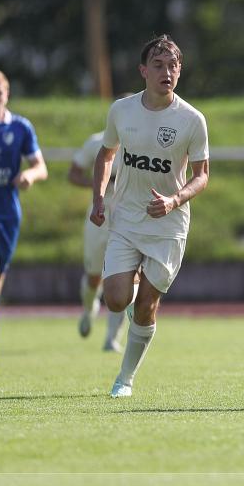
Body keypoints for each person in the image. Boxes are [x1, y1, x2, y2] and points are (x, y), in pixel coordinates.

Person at [91, 35, 209, 397]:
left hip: (168, 225)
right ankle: (132, 288)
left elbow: (202, 175)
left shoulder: (192, 119)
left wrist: (174, 201)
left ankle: (124, 380)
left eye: (173, 66)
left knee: (146, 308)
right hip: (126, 217)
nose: (167, 72)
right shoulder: (121, 111)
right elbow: (106, 155)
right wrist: (98, 198)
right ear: (143, 70)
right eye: (158, 65)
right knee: (115, 299)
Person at [0, 69, 48, 368]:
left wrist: (29, 175)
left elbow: (40, 166)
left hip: (7, 216)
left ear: (7, 95)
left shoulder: (20, 127)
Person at [68, 99, 136, 352]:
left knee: (126, 276)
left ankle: (112, 338)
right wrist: (97, 187)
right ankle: (88, 310)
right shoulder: (98, 141)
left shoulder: (144, 142)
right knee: (95, 275)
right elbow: (73, 173)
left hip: (131, 217)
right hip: (100, 215)